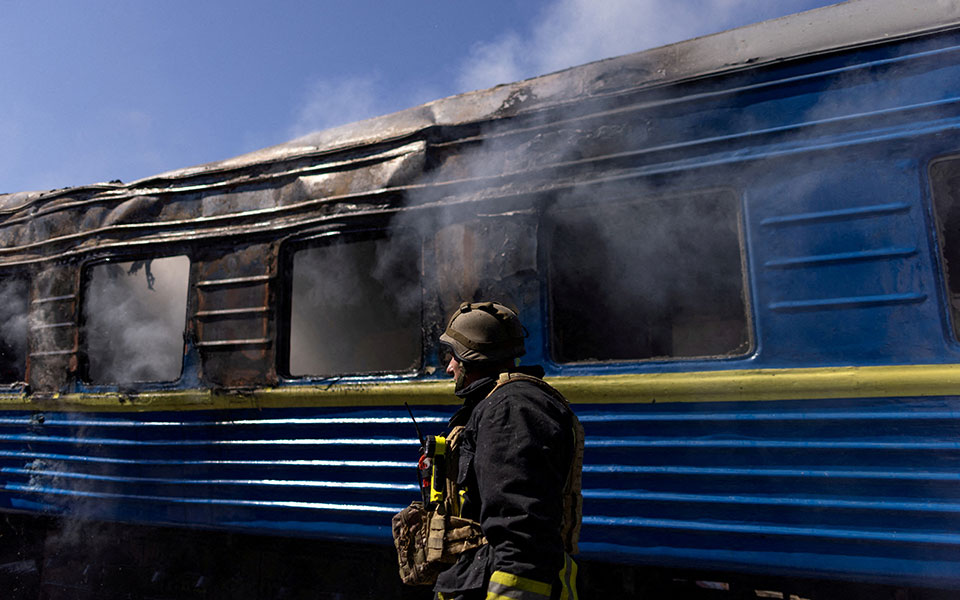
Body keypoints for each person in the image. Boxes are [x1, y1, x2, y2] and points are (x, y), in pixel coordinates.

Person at [431, 301, 583, 600]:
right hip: (474, 579)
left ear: (471, 357)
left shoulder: (512, 409)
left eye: (453, 356)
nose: (449, 367)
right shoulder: (495, 404)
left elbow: (521, 532)